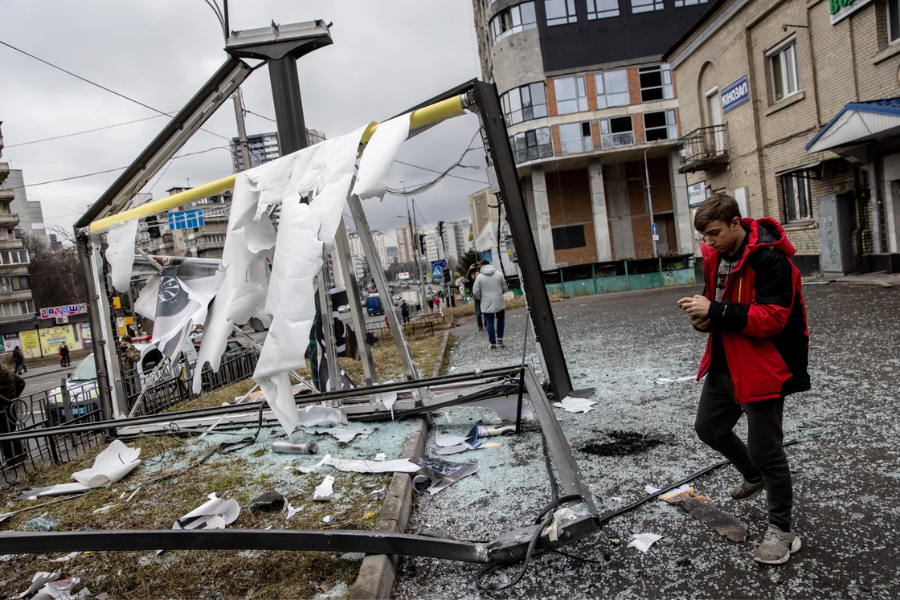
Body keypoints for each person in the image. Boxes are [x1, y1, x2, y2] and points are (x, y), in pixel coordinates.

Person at [679, 194, 809, 566]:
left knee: (766, 450)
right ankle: (754, 476)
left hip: (764, 366)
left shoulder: (770, 257)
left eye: (715, 233)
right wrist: (702, 317)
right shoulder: (715, 256)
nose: (709, 242)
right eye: (704, 235)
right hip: (725, 361)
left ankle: (782, 532)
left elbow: (773, 318)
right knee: (710, 429)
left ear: (737, 223)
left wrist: (716, 310)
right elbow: (715, 302)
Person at [473, 261, 508, 350]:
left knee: (489, 322)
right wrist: (500, 293)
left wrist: (481, 298)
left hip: (486, 302)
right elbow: (505, 288)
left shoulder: (479, 277)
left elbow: (475, 292)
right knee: (500, 319)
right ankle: (500, 339)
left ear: (482, 267)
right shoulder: (499, 274)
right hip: (499, 301)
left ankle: (492, 343)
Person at [0, 364, 26, 466]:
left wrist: (6, 401)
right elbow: (21, 382)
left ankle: (12, 459)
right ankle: (20, 454)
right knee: (10, 430)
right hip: (11, 408)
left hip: (2, 408)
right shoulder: (8, 373)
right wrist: (14, 397)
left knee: (4, 435)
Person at [467, 262, 484, 332]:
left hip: (484, 298)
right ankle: (480, 326)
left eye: (478, 274)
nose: (477, 275)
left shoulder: (483, 280)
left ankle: (487, 324)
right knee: (479, 313)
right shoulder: (473, 281)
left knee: (486, 312)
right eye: (476, 274)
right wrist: (470, 269)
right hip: (477, 299)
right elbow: (468, 277)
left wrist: (481, 266)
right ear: (474, 276)